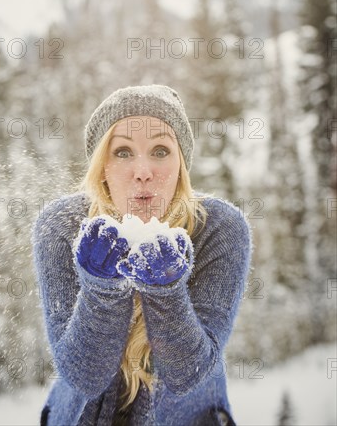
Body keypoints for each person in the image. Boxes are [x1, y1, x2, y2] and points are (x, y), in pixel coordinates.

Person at [32, 84, 252, 426]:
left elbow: (187, 375)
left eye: (161, 150)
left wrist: (165, 291)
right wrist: (102, 289)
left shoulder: (219, 228)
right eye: (122, 152)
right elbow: (84, 376)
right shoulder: (62, 226)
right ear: (102, 164)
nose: (143, 171)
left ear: (181, 164)